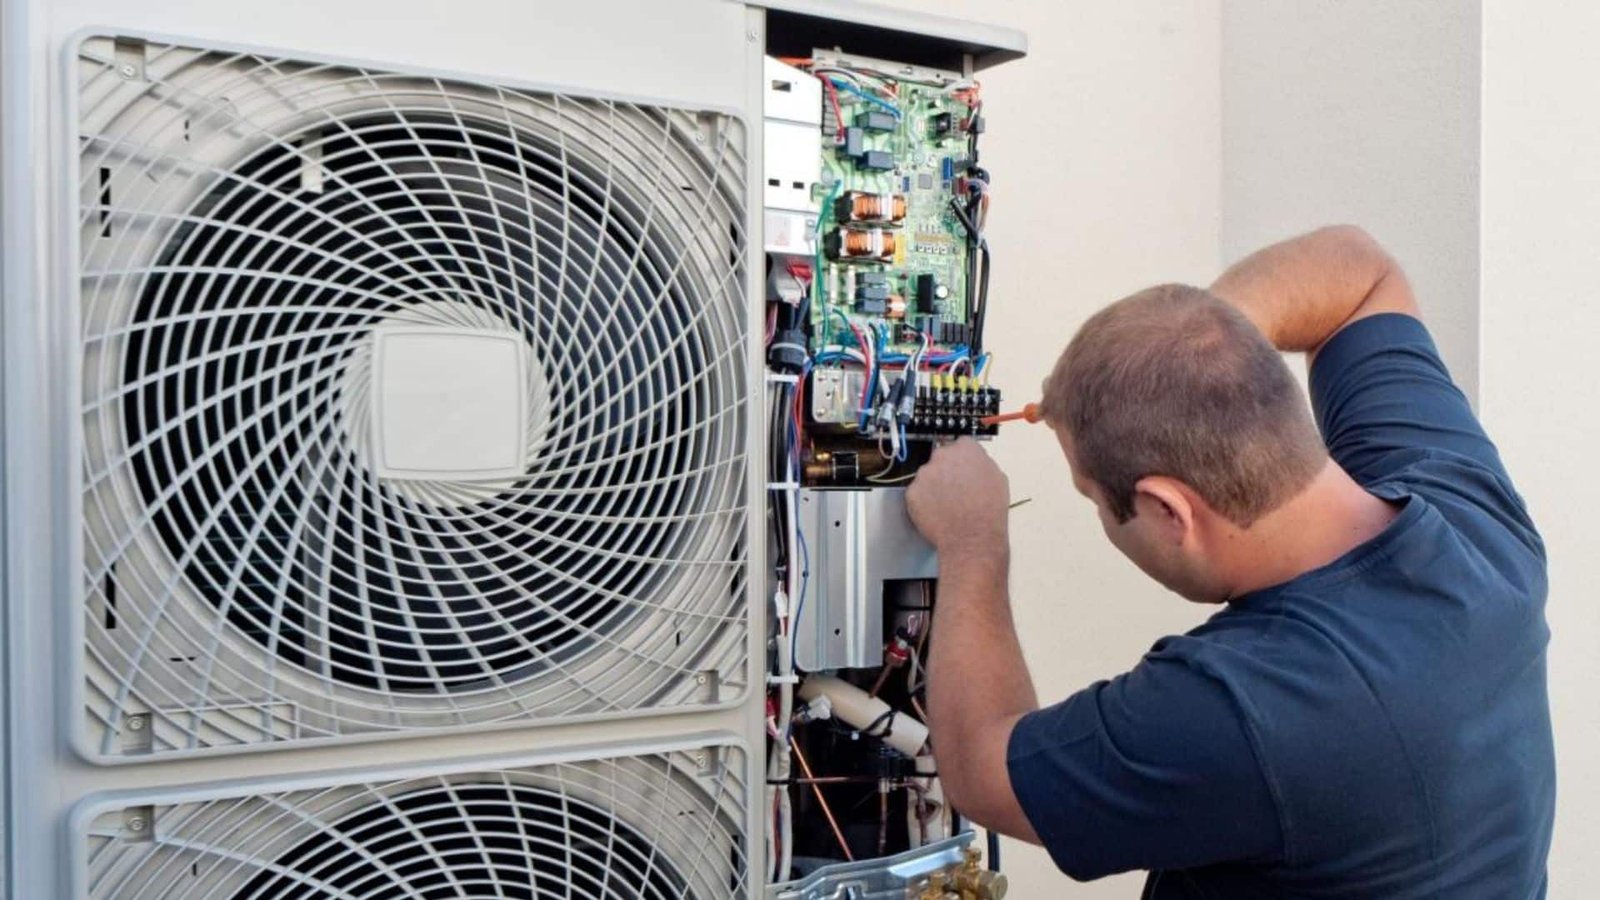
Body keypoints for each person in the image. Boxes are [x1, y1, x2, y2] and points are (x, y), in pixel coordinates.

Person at [906, 226, 1554, 898]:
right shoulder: (1473, 521)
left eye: (1095, 502)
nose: (1100, 520)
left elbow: (982, 769)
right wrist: (1190, 353)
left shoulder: (1242, 708)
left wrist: (973, 544)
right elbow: (1362, 275)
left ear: (1168, 510)